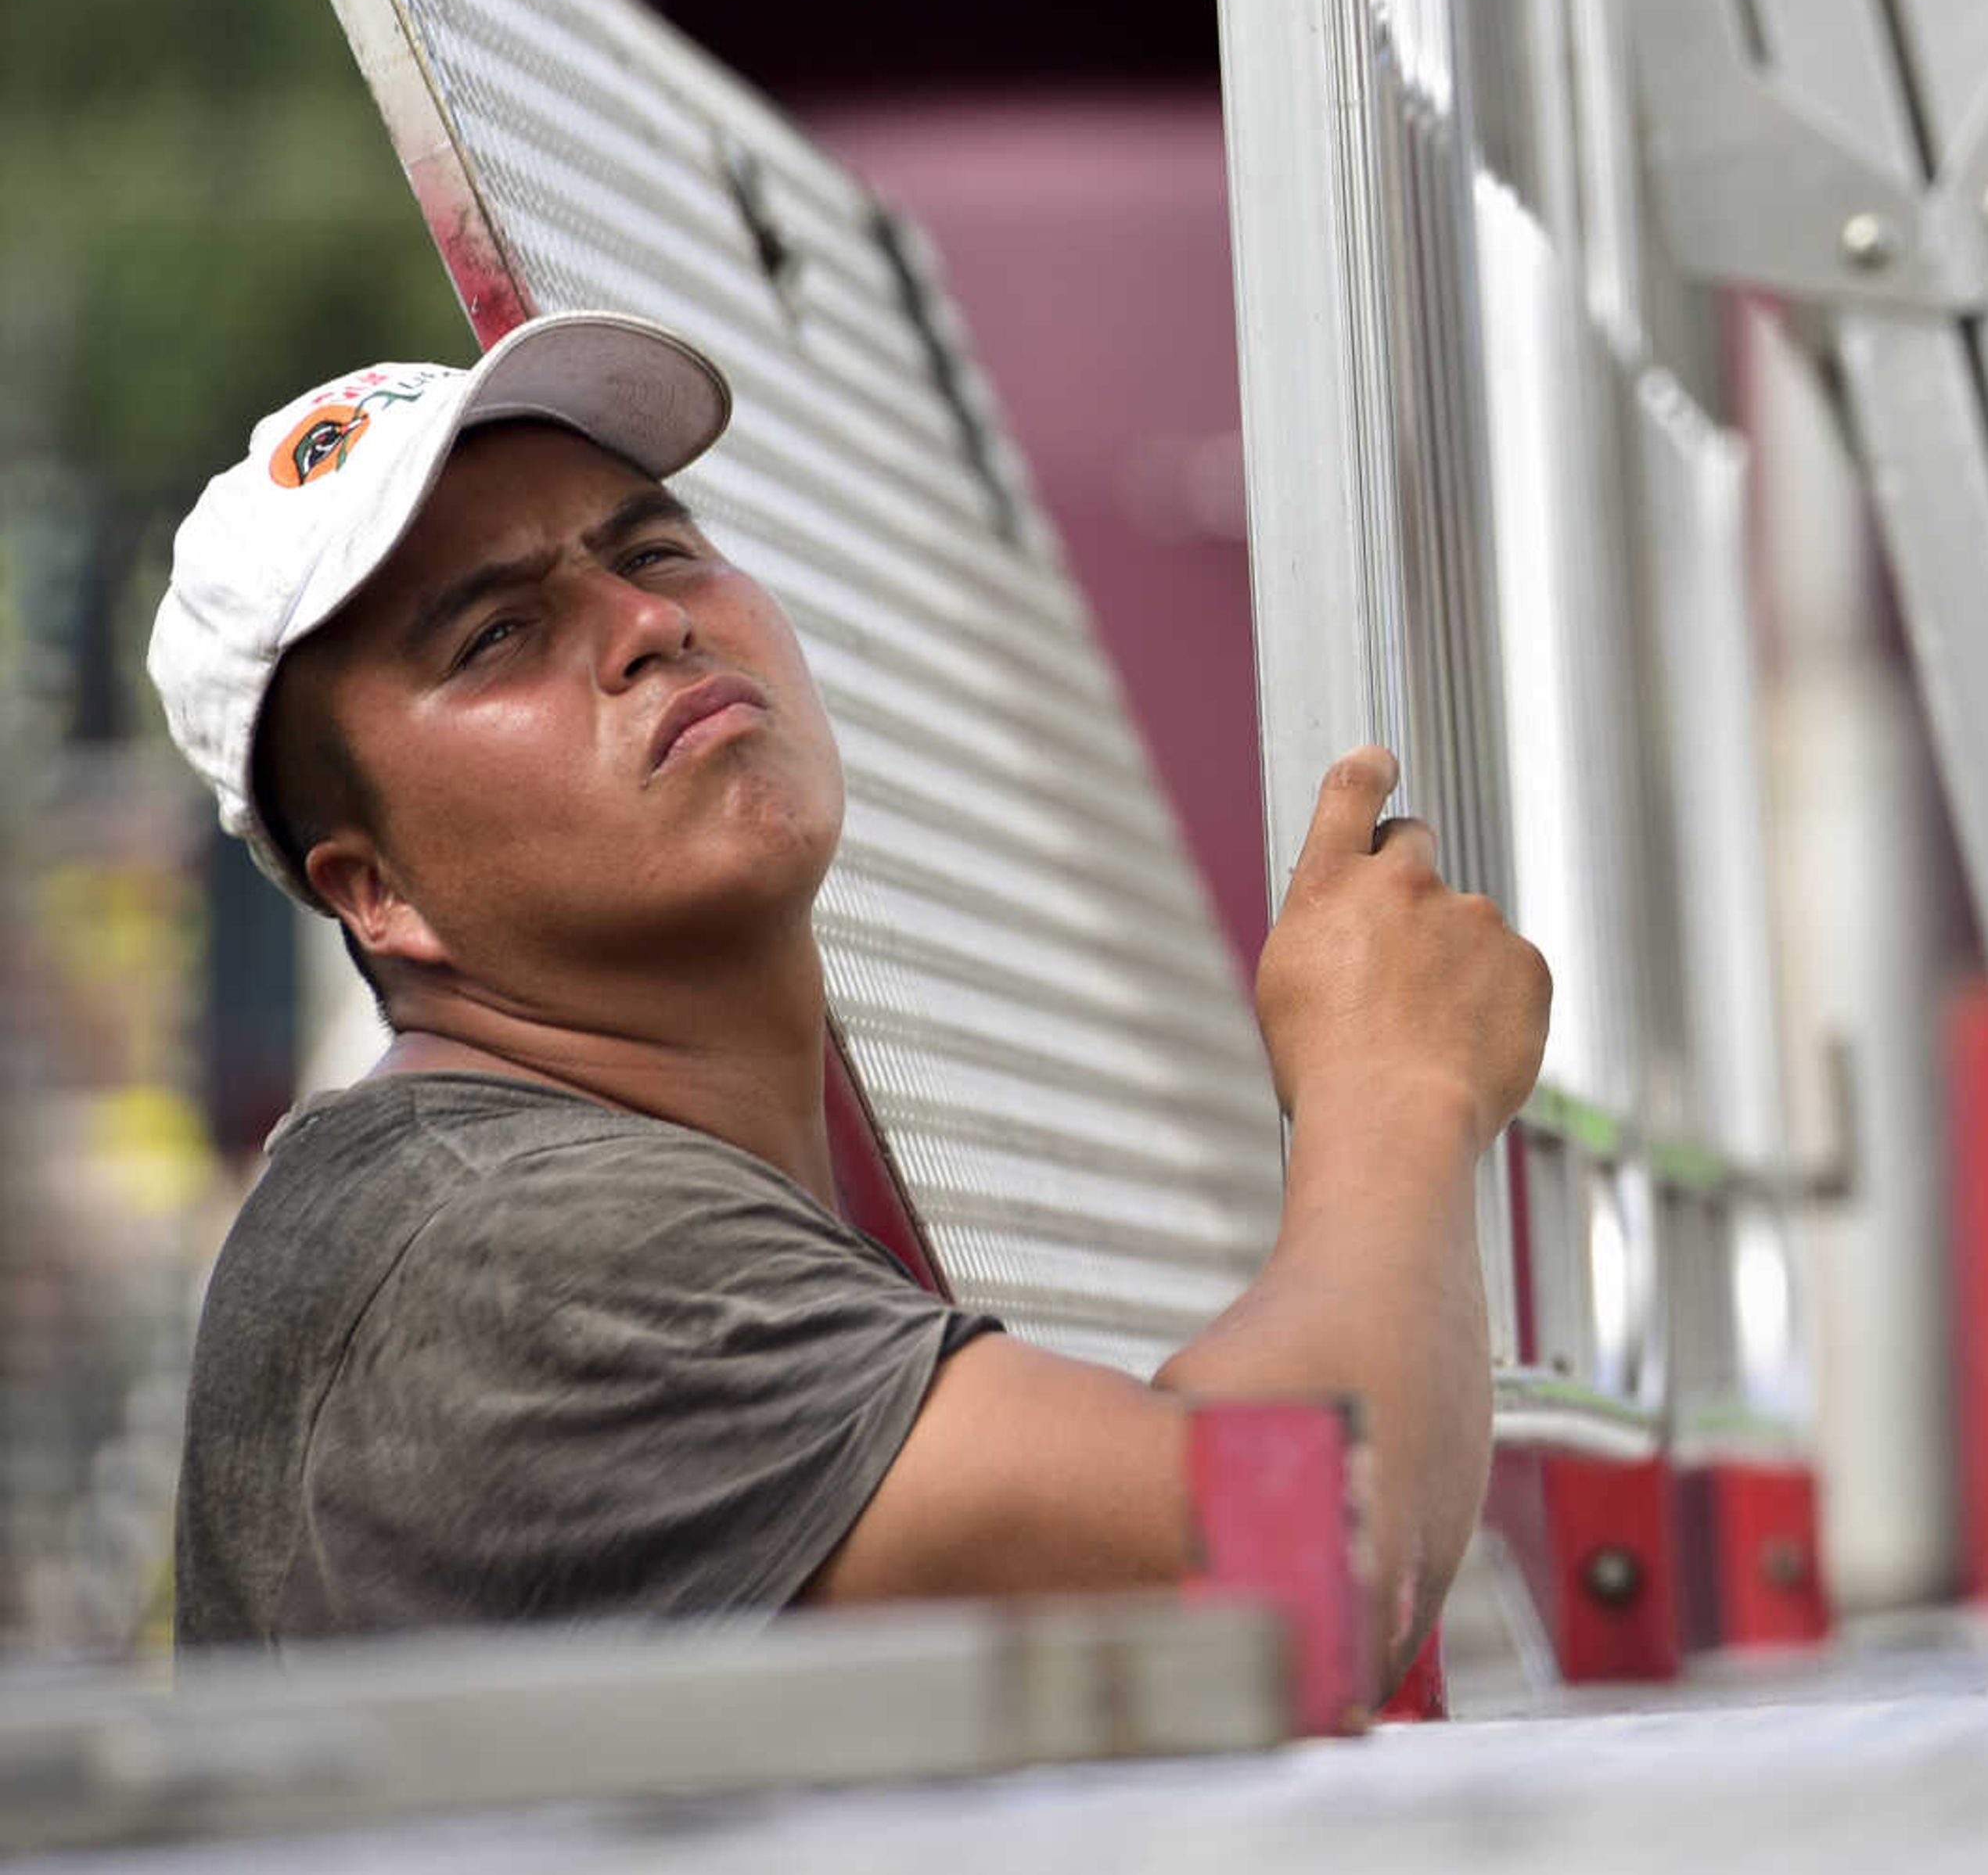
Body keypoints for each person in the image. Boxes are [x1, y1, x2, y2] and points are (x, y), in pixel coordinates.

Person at [149, 310, 1547, 1676]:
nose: (645, 620)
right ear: (372, 892)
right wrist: (1394, 1083)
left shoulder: (580, 1199)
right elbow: (1301, 1554)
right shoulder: (513, 1259)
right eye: (496, 637)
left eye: (654, 546)